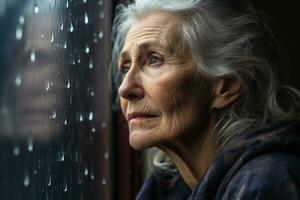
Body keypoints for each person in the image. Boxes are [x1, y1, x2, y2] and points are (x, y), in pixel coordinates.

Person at [111, 0, 300, 199]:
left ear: (227, 85)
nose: (125, 89)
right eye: (125, 67)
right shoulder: (165, 189)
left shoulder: (267, 183)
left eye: (154, 59)